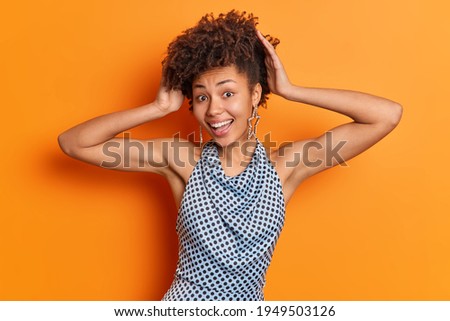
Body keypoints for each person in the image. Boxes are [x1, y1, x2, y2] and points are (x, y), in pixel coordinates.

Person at [58, 10, 402, 301]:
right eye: (202, 96)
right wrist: (157, 107)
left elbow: (385, 115)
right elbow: (75, 143)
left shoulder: (286, 167)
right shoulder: (180, 160)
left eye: (227, 93)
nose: (214, 110)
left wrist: (291, 91)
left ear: (255, 95)